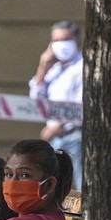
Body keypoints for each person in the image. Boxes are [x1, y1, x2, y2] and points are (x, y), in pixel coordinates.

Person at [30, 20, 83, 191]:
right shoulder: (54, 69)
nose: (61, 45)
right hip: (55, 139)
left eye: (65, 39)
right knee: (55, 188)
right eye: (56, 40)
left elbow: (81, 106)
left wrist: (57, 126)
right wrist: (42, 67)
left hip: (77, 136)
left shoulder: (82, 67)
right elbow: (36, 99)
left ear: (76, 41)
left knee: (82, 186)